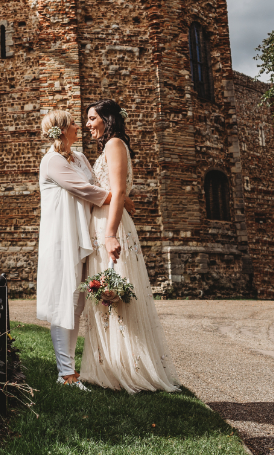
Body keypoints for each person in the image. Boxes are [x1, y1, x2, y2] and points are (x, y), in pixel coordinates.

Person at [78, 98, 180, 393]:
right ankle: (110, 367)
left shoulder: (115, 145)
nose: (88, 125)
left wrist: (110, 235)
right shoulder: (111, 146)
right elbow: (114, 191)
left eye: (92, 118)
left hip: (111, 227)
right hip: (102, 225)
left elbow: (119, 190)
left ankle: (128, 369)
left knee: (115, 294)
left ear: (107, 120)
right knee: (105, 295)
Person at [36, 109, 132, 388]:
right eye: (74, 123)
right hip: (62, 237)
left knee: (77, 304)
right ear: (63, 130)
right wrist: (121, 198)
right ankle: (65, 373)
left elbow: (94, 182)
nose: (79, 127)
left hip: (83, 234)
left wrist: (118, 195)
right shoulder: (51, 161)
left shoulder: (79, 157)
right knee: (64, 301)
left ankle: (71, 370)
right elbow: (88, 191)